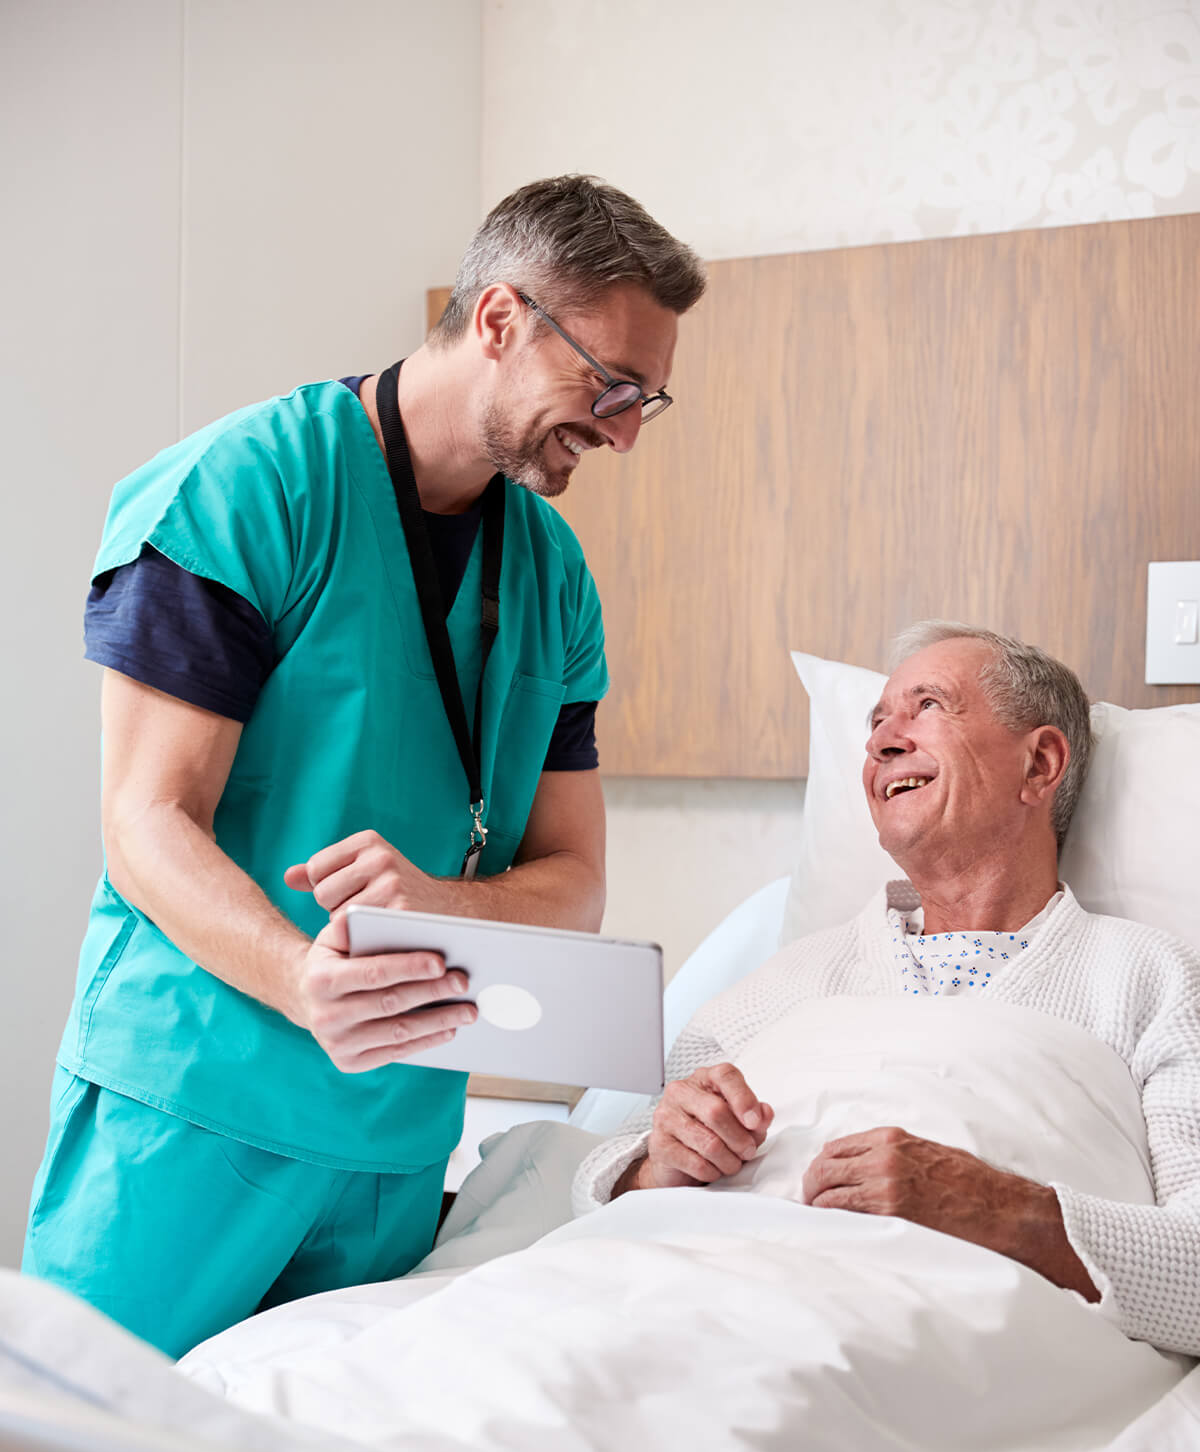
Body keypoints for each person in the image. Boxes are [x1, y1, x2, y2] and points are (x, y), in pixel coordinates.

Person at [25, 175, 706, 1358]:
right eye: (608, 384)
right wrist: (304, 981)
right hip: (193, 1108)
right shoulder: (244, 492)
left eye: (647, 398)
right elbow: (144, 823)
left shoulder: (553, 582)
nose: (625, 429)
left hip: (395, 1141)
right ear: (499, 320)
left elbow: (573, 883)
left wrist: (438, 900)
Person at [574, 621, 1200, 1359]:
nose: (881, 743)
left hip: (930, 1349)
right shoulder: (784, 981)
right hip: (689, 1306)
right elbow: (598, 1182)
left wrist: (1004, 1211)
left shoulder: (1151, 979)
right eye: (874, 724)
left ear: (1039, 765)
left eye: (927, 706)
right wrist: (657, 1165)